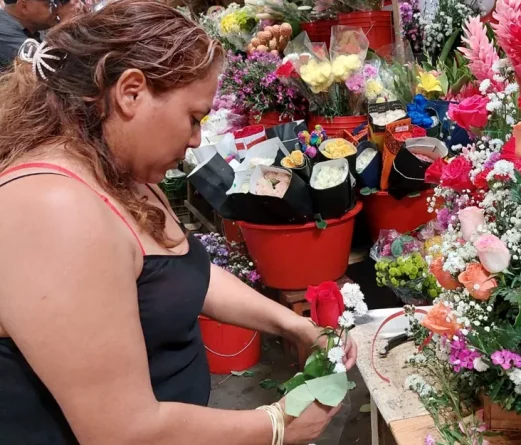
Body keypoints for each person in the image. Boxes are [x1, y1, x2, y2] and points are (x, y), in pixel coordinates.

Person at [0, 1, 355, 444]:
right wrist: (276, 425)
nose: (196, 139)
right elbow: (120, 430)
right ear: (131, 92)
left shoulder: (116, 170)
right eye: (193, 117)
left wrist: (292, 323)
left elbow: (179, 274)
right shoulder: (53, 207)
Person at [0, 0, 84, 68]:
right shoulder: (2, 30)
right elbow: (45, 67)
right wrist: (67, 25)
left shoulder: (35, 25)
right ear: (24, 7)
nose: (56, 8)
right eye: (49, 3)